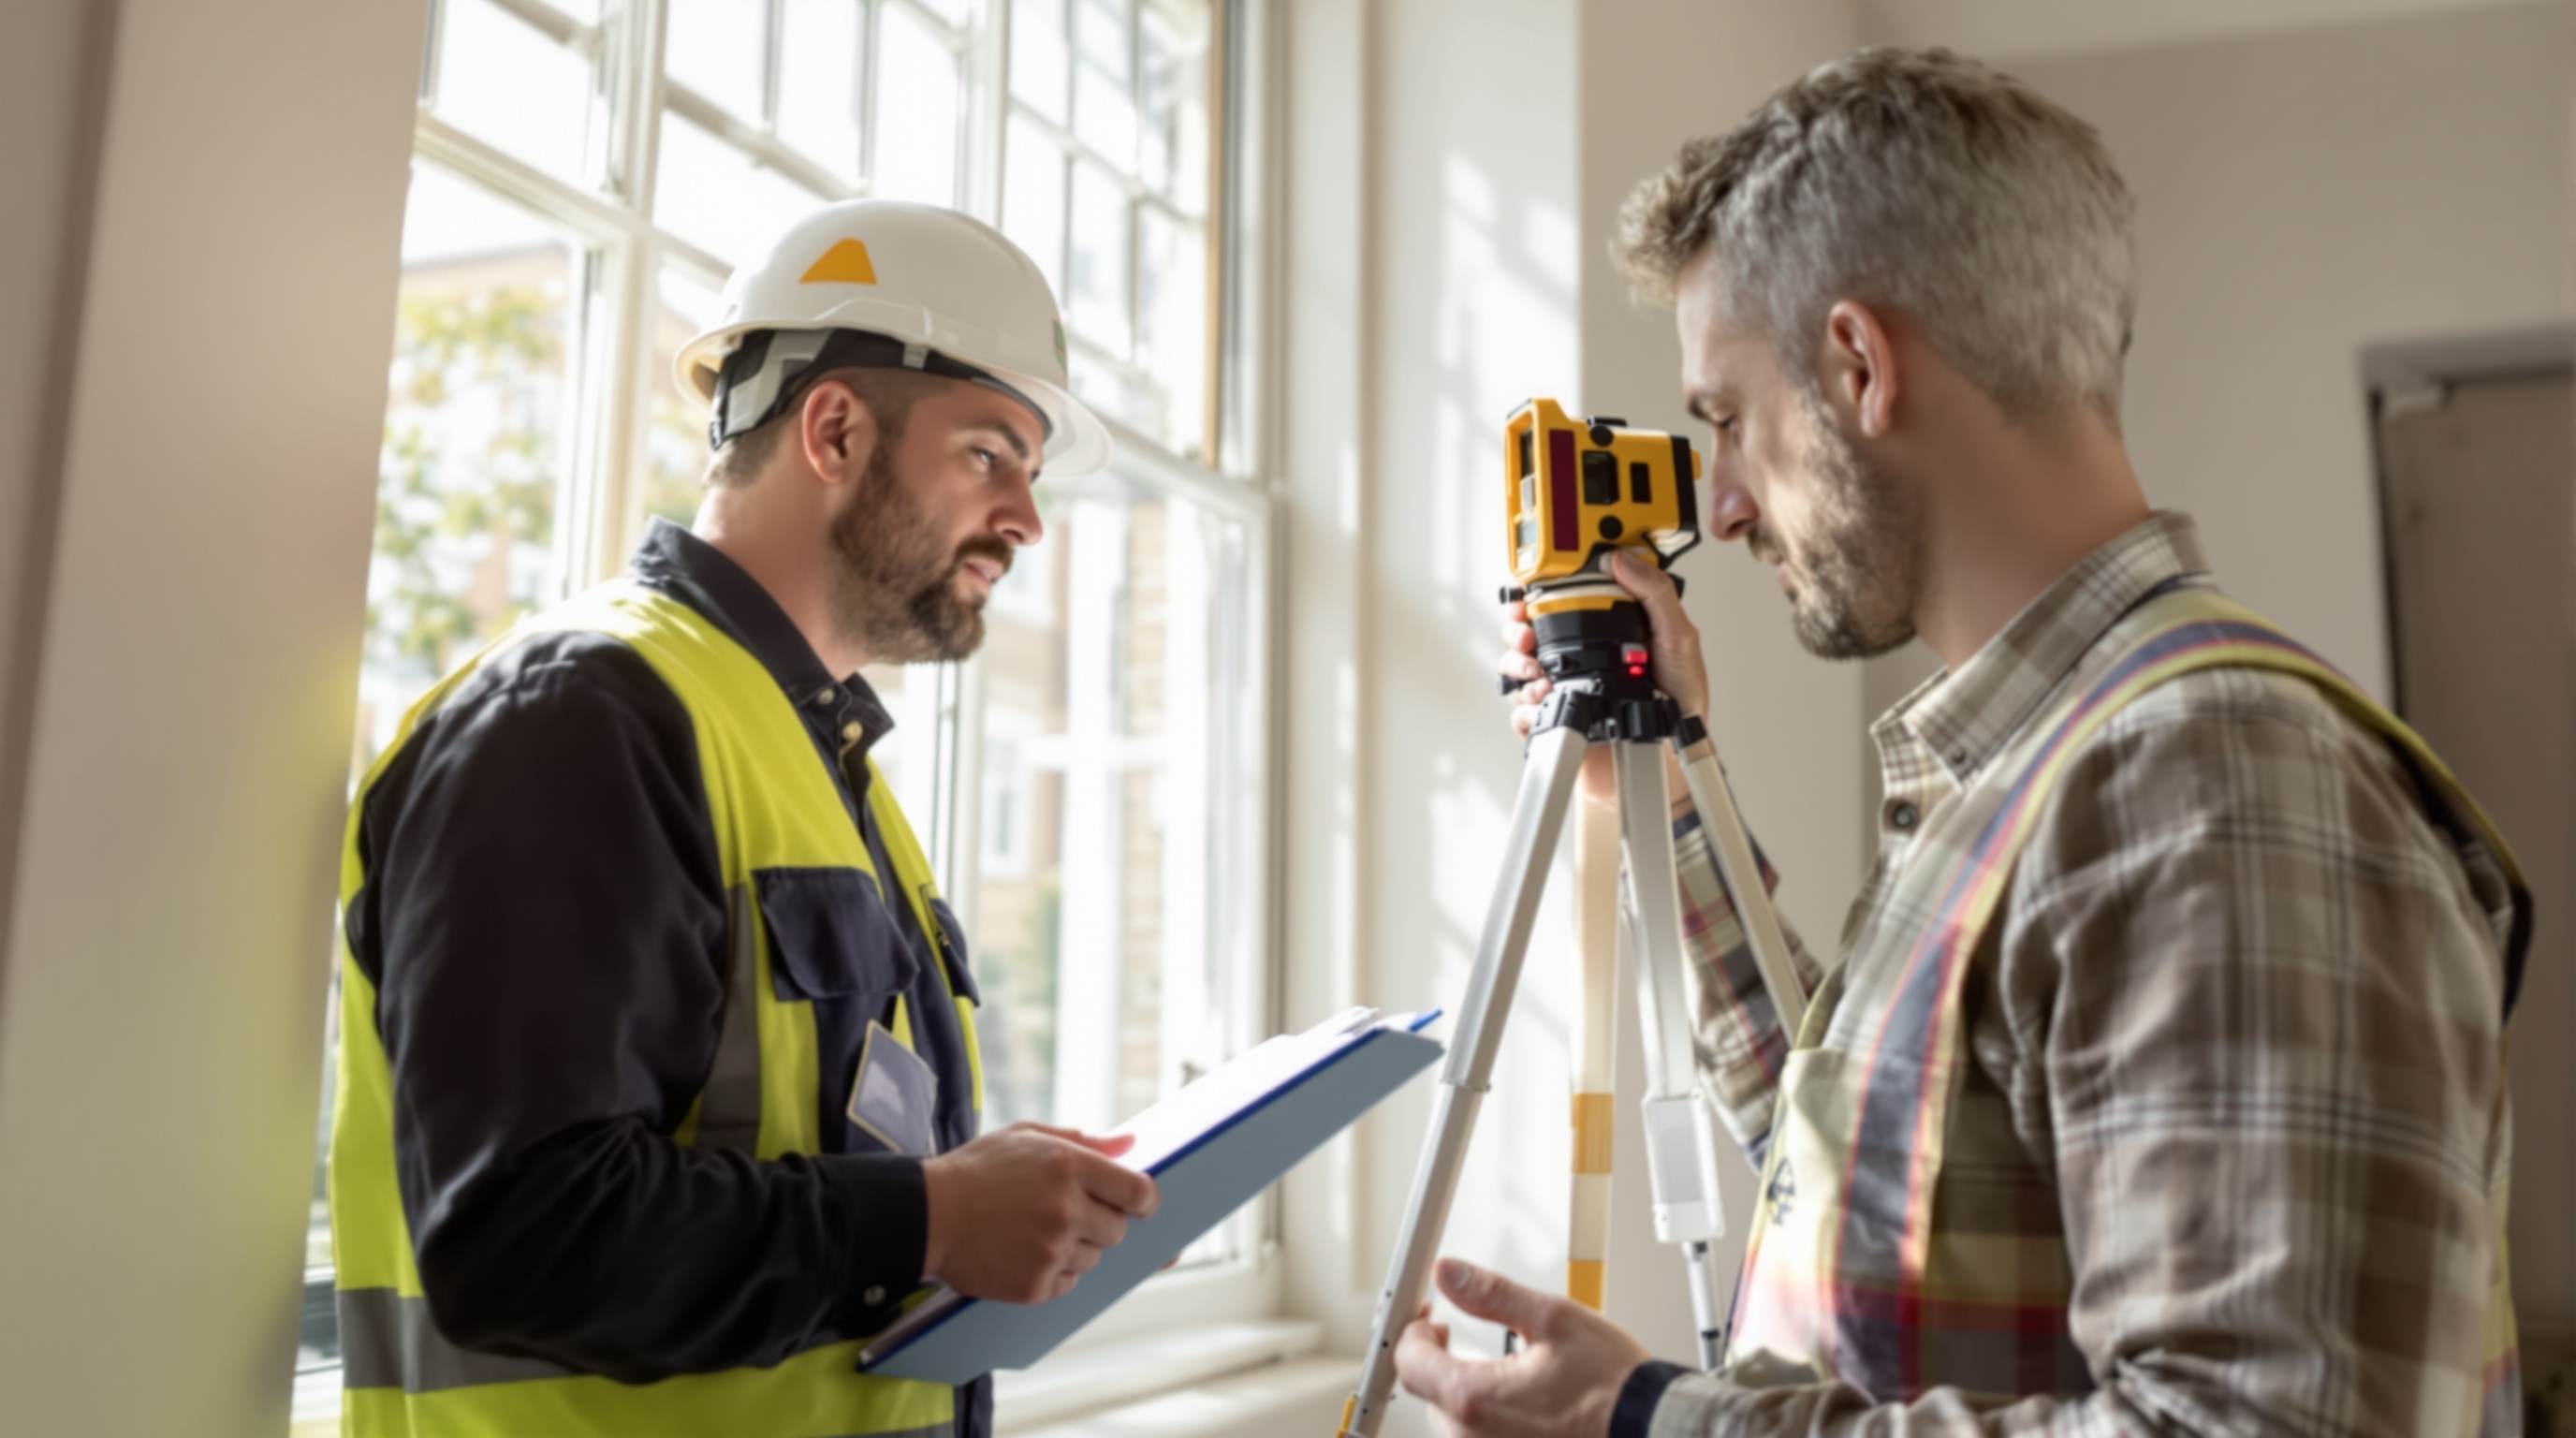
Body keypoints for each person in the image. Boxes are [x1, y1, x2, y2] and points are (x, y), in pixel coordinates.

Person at [1394, 48, 2530, 1438]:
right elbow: (1863, 1183)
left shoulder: (2204, 779)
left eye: (1729, 422)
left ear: (1860, 367)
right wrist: (1662, 788)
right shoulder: (2043, 772)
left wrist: (1655, 1424)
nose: (1725, 506)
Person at [327, 198, 1158, 1438]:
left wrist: (978, 1204)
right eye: (991, 454)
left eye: (1031, 475)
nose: (1026, 522)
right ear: (834, 430)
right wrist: (932, 1217)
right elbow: (524, 1235)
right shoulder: (578, 718)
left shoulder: (823, 763)